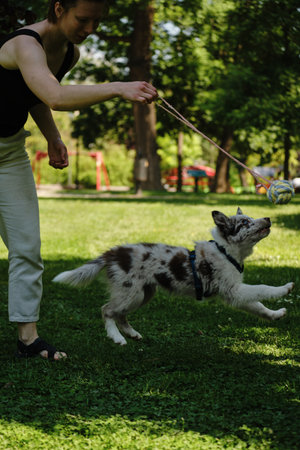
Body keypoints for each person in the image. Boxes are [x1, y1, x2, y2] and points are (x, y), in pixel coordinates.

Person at [0, 0, 157, 360]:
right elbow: (55, 96)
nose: (89, 28)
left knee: (26, 247)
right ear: (59, 9)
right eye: (82, 19)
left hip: (8, 153)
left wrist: (53, 136)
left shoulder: (68, 53)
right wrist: (118, 87)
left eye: (96, 21)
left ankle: (28, 339)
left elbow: (36, 95)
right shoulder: (25, 44)